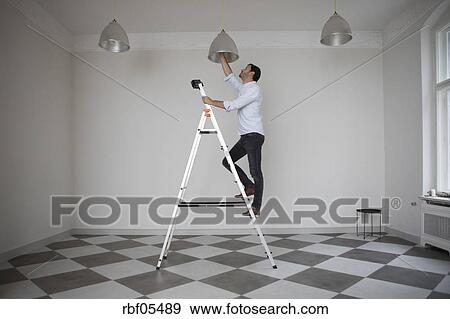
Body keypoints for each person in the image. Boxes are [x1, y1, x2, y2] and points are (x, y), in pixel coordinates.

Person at [201, 53, 264, 217]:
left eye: (245, 68)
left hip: (254, 136)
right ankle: (249, 186)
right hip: (245, 137)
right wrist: (222, 57)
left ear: (251, 73)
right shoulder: (244, 88)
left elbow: (234, 105)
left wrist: (211, 101)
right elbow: (230, 77)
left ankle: (256, 207)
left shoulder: (254, 89)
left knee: (255, 170)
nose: (242, 69)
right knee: (227, 161)